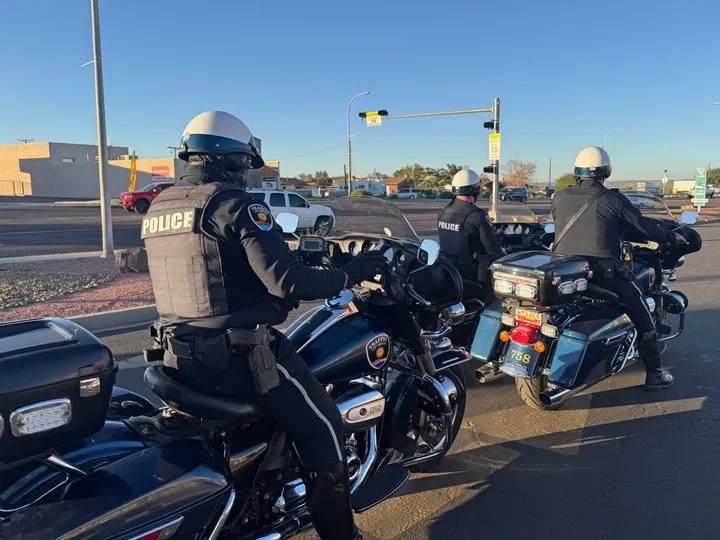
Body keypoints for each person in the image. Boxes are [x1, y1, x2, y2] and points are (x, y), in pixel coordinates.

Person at [141, 111, 387, 540]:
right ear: (235, 158)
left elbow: (212, 270)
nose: (249, 174)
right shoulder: (237, 204)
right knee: (326, 430)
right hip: (239, 357)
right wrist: (350, 273)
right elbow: (288, 280)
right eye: (246, 164)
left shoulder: (160, 206)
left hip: (178, 353)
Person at [551, 146, 686, 391]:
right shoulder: (612, 198)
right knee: (643, 313)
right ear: (606, 172)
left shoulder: (559, 195)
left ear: (577, 172)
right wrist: (669, 237)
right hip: (602, 274)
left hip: (565, 271)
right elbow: (643, 225)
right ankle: (655, 373)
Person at [437, 168, 504, 301]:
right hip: (470, 274)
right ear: (475, 190)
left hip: (446, 270)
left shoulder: (444, 212)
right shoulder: (477, 215)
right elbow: (492, 250)